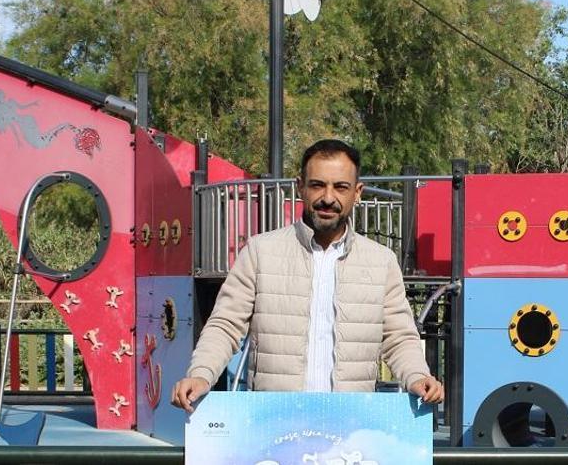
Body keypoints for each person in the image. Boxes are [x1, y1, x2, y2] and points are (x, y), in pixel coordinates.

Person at [171, 139, 444, 412]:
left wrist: (418, 376)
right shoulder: (260, 252)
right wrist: (202, 373)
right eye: (317, 185)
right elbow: (225, 325)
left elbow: (399, 337)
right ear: (300, 186)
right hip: (273, 420)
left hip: (349, 423)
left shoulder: (380, 262)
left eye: (340, 187)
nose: (328, 197)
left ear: (357, 192)